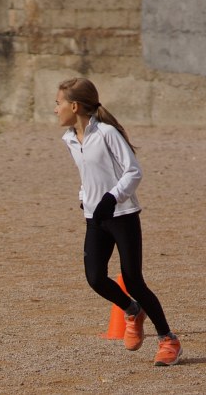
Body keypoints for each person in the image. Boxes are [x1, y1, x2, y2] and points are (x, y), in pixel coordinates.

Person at [54, 77, 182, 366]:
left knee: (134, 280)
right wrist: (84, 196)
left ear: (74, 106)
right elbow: (88, 175)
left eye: (58, 103)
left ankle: (168, 340)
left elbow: (133, 171)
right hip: (95, 217)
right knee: (95, 278)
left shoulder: (107, 133)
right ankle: (132, 311)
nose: (55, 109)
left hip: (122, 216)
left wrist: (112, 198)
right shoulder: (70, 139)